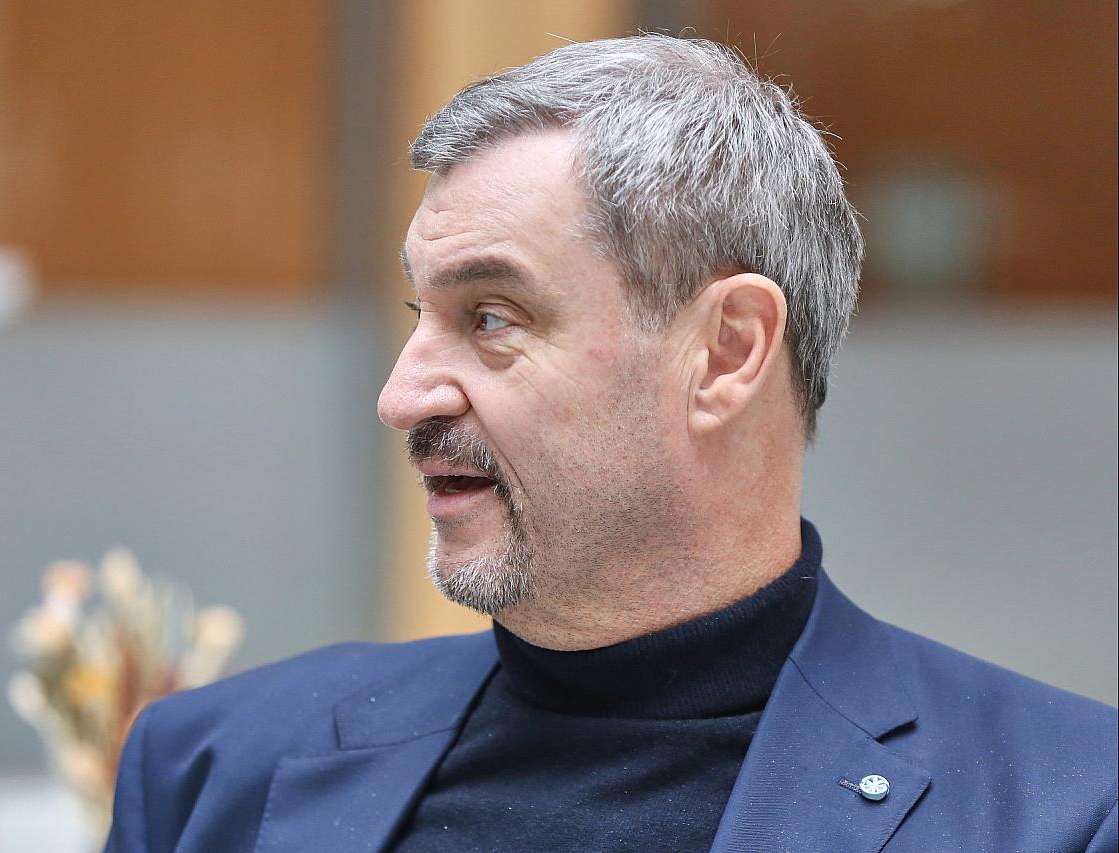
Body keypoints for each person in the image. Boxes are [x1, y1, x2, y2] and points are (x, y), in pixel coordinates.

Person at [105, 34, 1116, 852]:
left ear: (725, 351)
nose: (402, 396)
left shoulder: (1065, 807)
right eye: (420, 314)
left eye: (490, 317)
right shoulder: (209, 772)